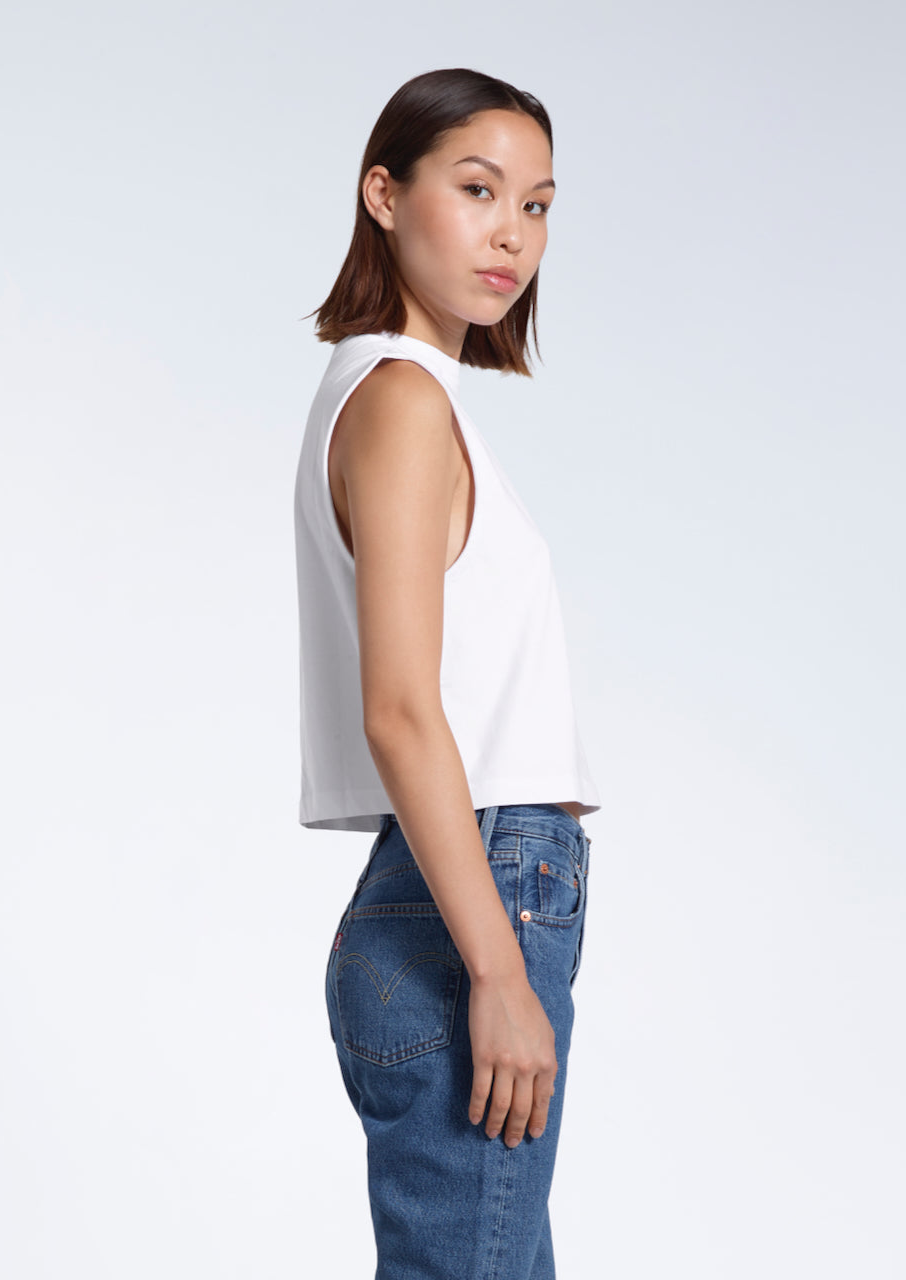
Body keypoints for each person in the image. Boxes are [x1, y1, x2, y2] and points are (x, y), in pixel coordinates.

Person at [293, 67, 601, 1280]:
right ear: (383, 193)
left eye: (536, 205)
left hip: (444, 887)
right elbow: (398, 710)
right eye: (477, 190)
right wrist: (496, 967)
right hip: (471, 895)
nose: (510, 234)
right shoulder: (402, 399)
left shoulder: (387, 394)